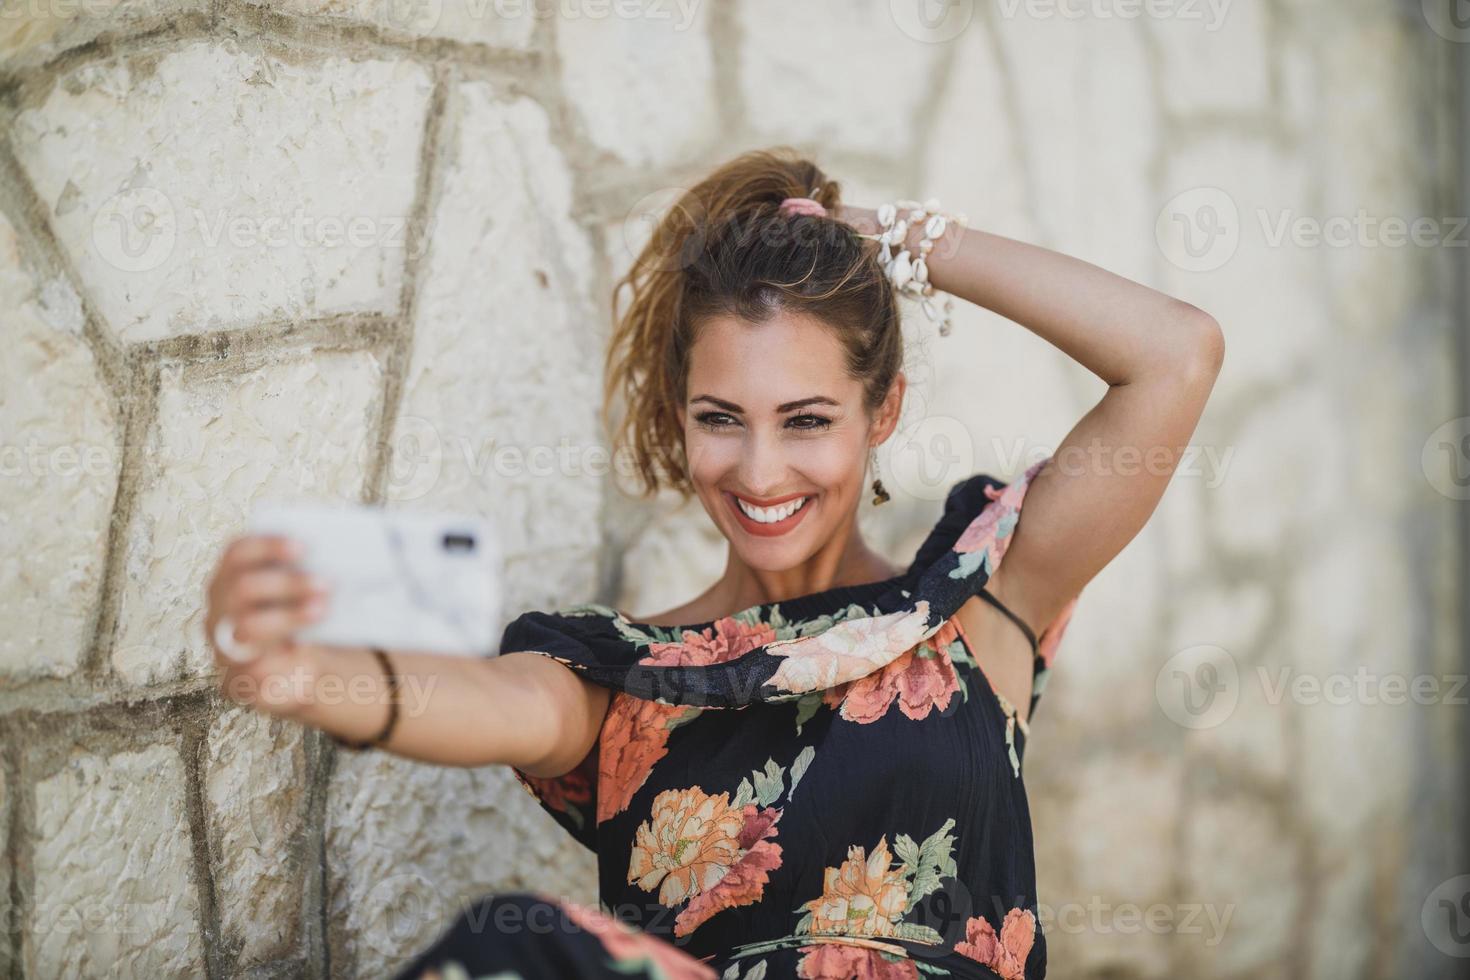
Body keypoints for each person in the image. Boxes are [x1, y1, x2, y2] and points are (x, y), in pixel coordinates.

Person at [204, 147, 1223, 979]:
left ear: (886, 410)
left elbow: (1175, 353)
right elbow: (490, 703)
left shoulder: (983, 595)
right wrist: (309, 677)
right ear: (679, 417)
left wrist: (898, 241)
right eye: (721, 419)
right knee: (513, 944)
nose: (761, 468)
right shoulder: (620, 676)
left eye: (808, 420)